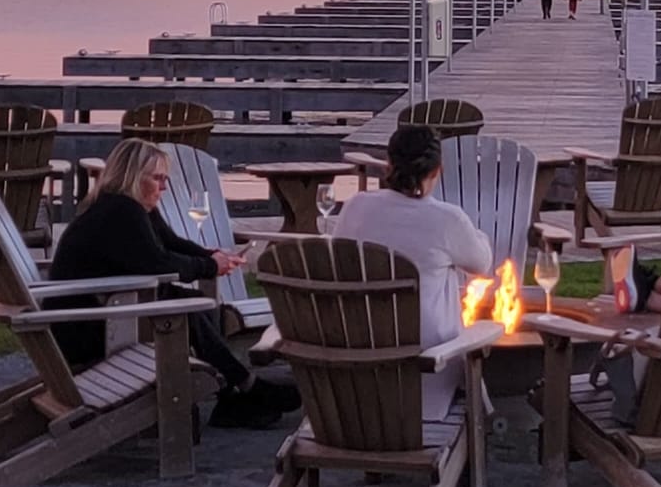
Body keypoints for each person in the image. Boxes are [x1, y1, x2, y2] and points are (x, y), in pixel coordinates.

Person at [47, 139, 294, 428]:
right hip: (88, 328)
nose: (164, 187)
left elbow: (171, 244)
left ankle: (235, 392)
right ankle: (246, 388)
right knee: (184, 308)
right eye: (157, 178)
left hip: (106, 311)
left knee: (191, 304)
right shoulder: (119, 212)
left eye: (165, 178)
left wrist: (212, 256)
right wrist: (210, 266)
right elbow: (159, 262)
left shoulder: (129, 207)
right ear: (132, 177)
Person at [330, 121, 496, 391]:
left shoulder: (355, 206)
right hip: (429, 376)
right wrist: (478, 236)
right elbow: (482, 264)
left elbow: (336, 259)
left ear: (388, 165)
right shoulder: (447, 219)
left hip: (359, 377)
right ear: (437, 171)